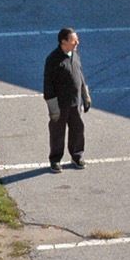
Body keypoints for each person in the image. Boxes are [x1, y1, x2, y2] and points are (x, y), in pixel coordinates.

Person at [43, 27, 92, 173]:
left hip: (75, 103)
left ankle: (77, 156)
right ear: (63, 42)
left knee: (78, 130)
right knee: (57, 132)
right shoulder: (52, 59)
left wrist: (85, 95)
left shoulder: (74, 54)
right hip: (60, 105)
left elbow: (80, 76)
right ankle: (55, 160)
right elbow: (48, 85)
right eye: (73, 40)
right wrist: (53, 108)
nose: (77, 42)